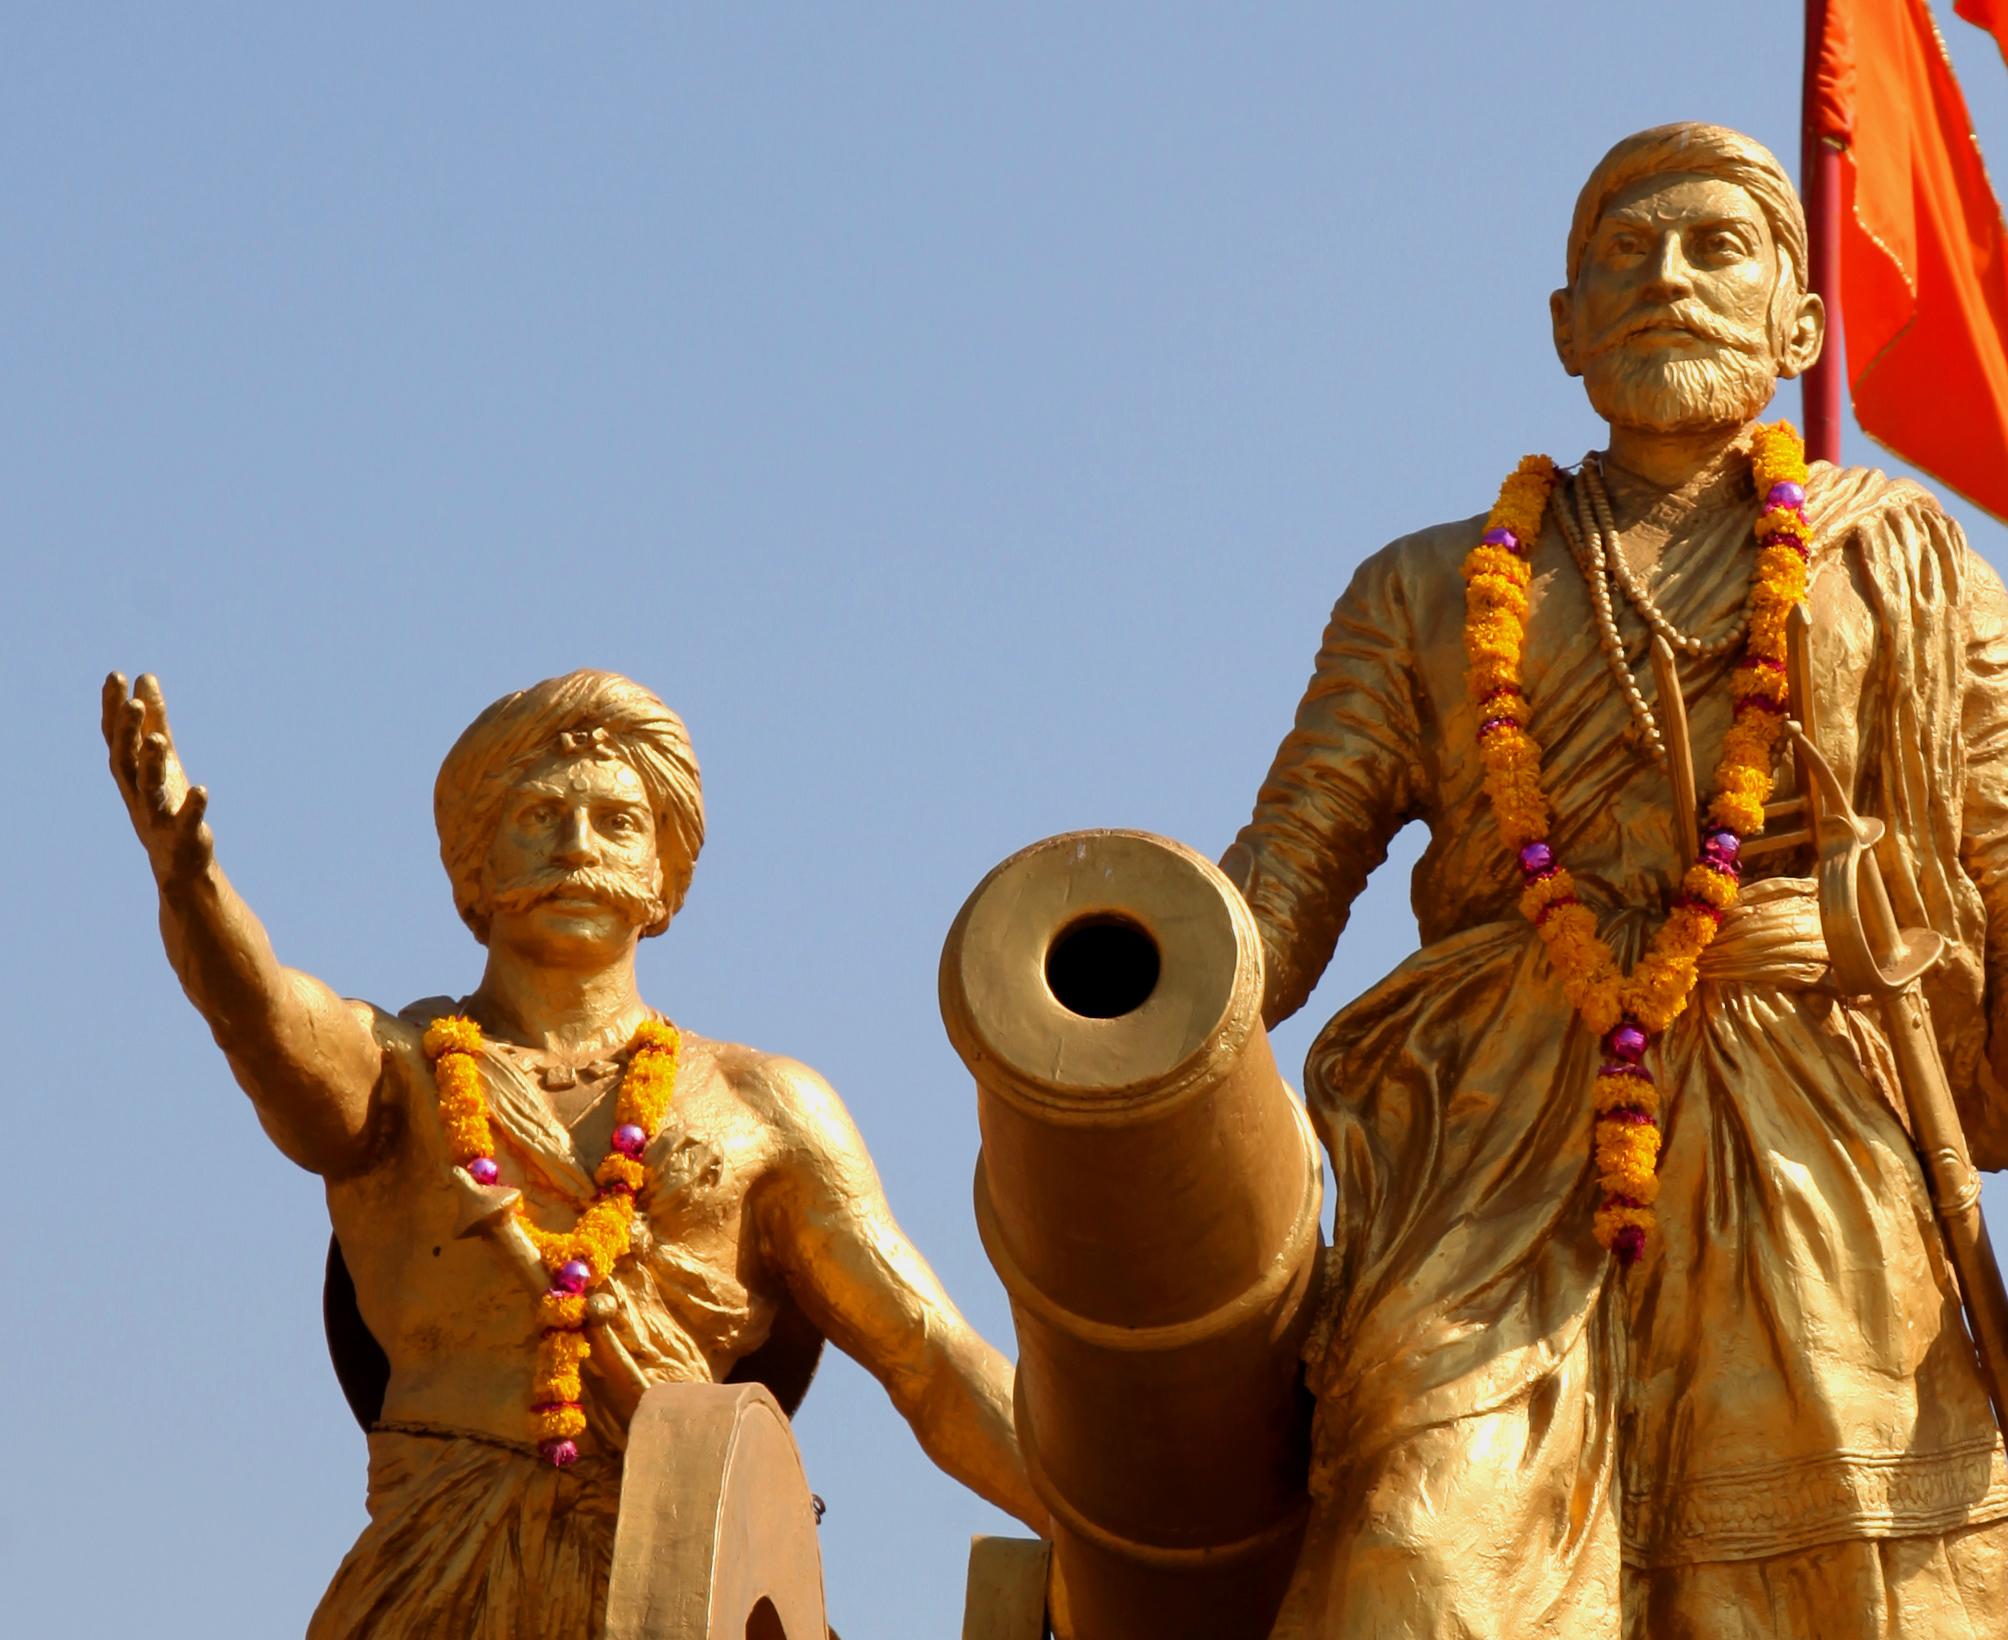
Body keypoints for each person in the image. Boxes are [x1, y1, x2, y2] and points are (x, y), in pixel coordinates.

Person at [1224, 123, 2008, 1636]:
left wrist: (1877, 933)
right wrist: (1135, 992)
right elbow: (1283, 880)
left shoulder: (1914, 564)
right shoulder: (1429, 586)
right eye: (1625, 254)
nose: (1669, 282)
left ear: (1799, 323)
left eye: (1719, 247)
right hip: (1491, 1145)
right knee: (1417, 1556)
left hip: (1821, 1160)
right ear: (1566, 328)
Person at [103, 665, 1043, 1637]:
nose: (579, 847)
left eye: (617, 821)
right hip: (432, 1581)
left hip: (687, 1582)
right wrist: (194, 885)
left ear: (663, 874)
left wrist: (1114, 1530)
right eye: (540, 815)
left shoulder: (765, 1109)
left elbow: (929, 1357)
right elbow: (267, 1023)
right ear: (475, 861)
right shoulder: (402, 1078)